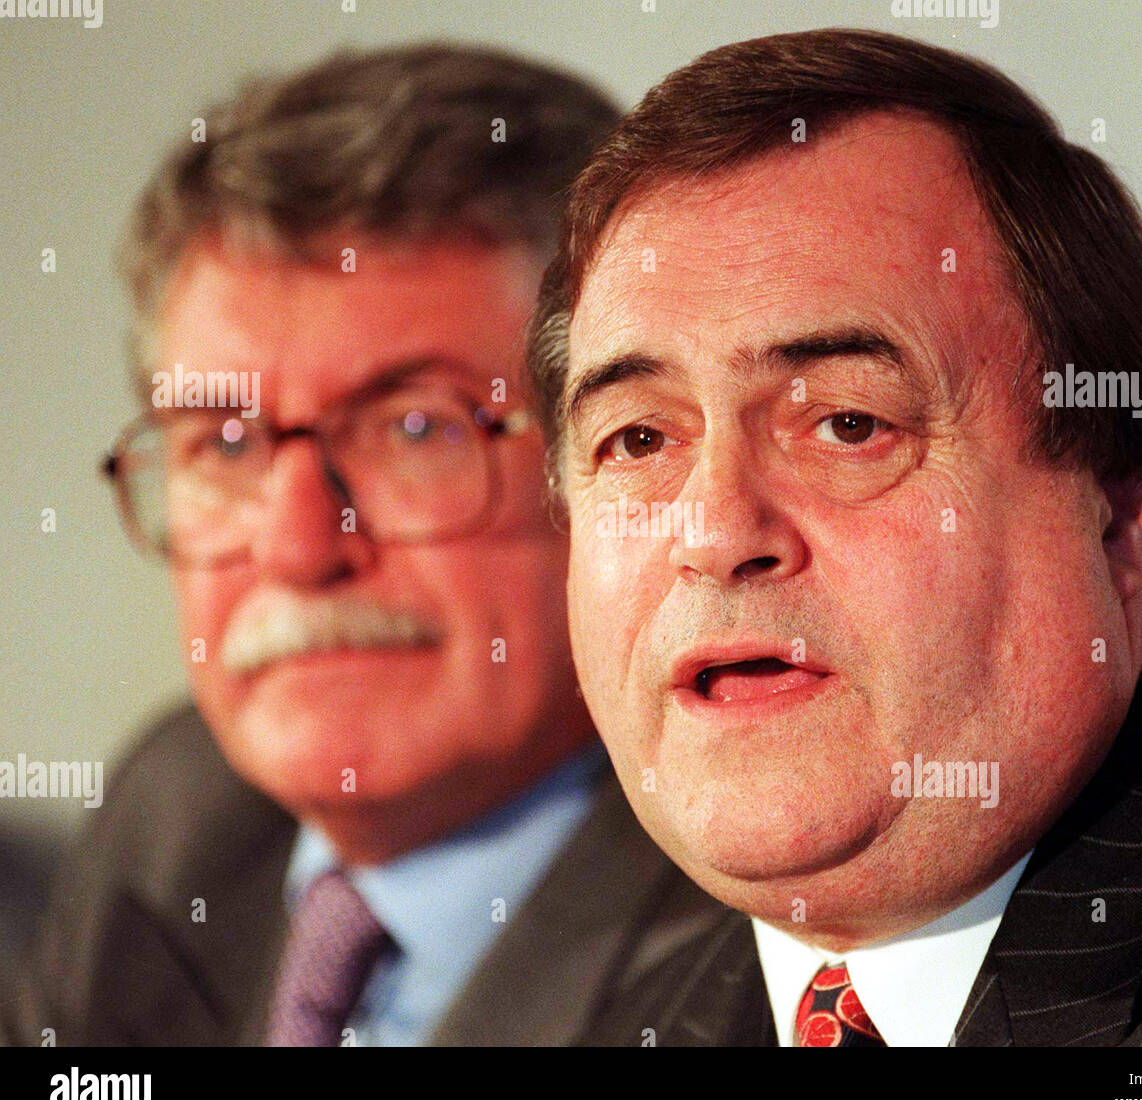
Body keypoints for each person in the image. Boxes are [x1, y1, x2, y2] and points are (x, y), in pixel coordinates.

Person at [527, 28, 1142, 1046]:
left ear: (1116, 509)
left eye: (849, 425)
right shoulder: (637, 1025)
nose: (715, 531)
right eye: (636, 438)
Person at [2, 42, 722, 1047]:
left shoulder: (749, 935)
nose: (301, 548)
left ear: (619, 459)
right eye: (226, 442)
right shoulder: (180, 818)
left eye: (415, 428)